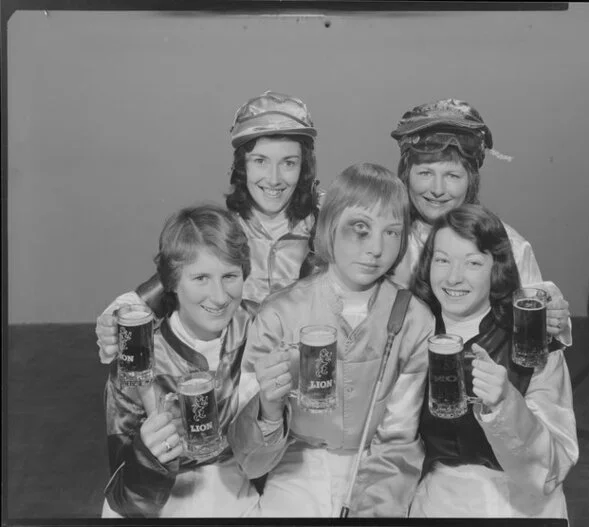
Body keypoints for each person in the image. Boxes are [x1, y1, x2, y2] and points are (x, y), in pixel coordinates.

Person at [227, 163, 435, 517]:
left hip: (379, 471)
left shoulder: (414, 318)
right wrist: (268, 409)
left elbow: (399, 439)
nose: (375, 249)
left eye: (392, 232)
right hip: (295, 468)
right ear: (329, 226)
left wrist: (372, 508)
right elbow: (249, 461)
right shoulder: (280, 313)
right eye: (360, 229)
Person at [95, 91, 320, 364]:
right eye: (260, 161)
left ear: (304, 168)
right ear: (242, 167)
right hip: (234, 381)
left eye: (288, 163)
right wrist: (116, 319)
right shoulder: (222, 230)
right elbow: (161, 290)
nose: (274, 179)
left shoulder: (327, 224)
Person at [408, 204, 578, 518]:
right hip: (437, 503)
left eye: (472, 262)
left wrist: (506, 404)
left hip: (522, 506)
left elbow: (552, 468)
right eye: (442, 260)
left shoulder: (531, 339)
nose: (454, 277)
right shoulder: (411, 333)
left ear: (496, 267)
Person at [102, 204, 260, 518]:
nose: (218, 296)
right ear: (172, 283)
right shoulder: (140, 358)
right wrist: (147, 455)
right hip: (161, 499)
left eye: (230, 276)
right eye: (201, 277)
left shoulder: (261, 326)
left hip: (239, 487)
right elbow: (124, 497)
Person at [389, 98, 572, 347]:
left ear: (471, 180)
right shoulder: (387, 239)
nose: (437, 189)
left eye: (452, 175)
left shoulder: (509, 246)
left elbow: (537, 342)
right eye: (425, 173)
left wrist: (552, 320)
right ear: (406, 175)